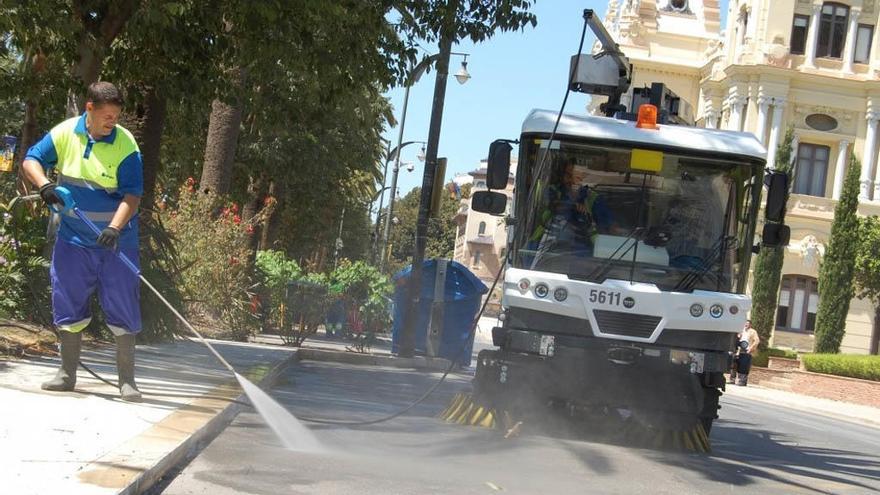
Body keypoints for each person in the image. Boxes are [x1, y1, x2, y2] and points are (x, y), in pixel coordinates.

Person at [22, 82, 145, 402]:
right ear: (89, 108)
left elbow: (132, 195)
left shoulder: (126, 144)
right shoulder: (65, 133)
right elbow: (31, 159)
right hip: (73, 239)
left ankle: (127, 381)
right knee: (68, 300)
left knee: (123, 303)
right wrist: (46, 184)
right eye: (107, 115)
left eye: (116, 116)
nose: (112, 121)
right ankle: (67, 374)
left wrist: (115, 229)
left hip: (116, 242)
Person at [528, 160, 612, 266]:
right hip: (547, 248)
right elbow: (535, 216)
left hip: (583, 254)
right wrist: (555, 206)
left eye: (576, 177)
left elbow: (607, 230)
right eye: (568, 175)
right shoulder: (550, 192)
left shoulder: (594, 200)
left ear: (583, 179)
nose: (571, 181)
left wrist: (586, 217)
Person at [729, 319, 760, 386]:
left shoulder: (753, 332)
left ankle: (742, 381)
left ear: (750, 325)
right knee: (734, 364)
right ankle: (732, 380)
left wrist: (751, 349)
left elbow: (757, 341)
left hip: (746, 351)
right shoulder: (741, 330)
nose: (746, 324)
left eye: (748, 323)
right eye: (745, 323)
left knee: (744, 366)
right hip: (738, 350)